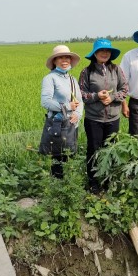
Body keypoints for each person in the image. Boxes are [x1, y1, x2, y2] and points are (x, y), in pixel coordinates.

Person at [79, 38, 128, 193]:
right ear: (95, 53)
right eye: (101, 51)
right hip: (94, 119)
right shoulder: (87, 72)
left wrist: (112, 98)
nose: (104, 53)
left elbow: (125, 88)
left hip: (113, 118)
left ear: (111, 54)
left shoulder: (117, 70)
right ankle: (93, 182)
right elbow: (81, 94)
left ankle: (108, 180)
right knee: (94, 149)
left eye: (107, 51)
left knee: (110, 149)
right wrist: (96, 96)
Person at [40, 45, 84, 178]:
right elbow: (45, 102)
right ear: (54, 61)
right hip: (58, 125)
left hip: (71, 124)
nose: (64, 60)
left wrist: (78, 114)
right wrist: (67, 106)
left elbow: (80, 100)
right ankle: (57, 190)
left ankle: (68, 188)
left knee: (70, 157)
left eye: (67, 57)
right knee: (58, 159)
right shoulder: (50, 78)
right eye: (60, 57)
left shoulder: (72, 79)